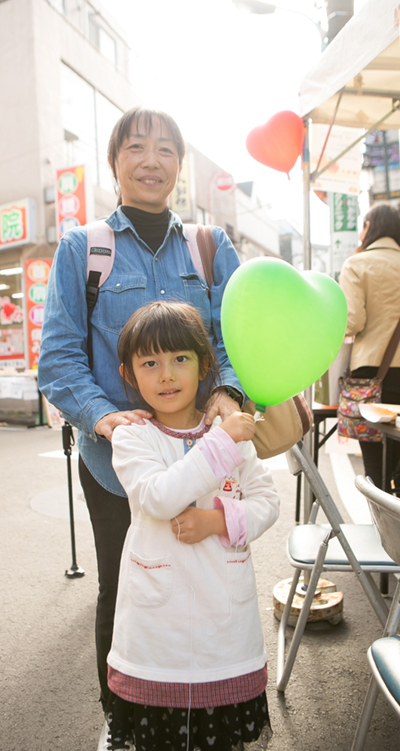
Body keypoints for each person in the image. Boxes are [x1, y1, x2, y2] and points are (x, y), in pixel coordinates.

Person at [38, 106, 245, 749]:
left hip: (206, 456)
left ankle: (203, 712)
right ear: (115, 163)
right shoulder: (83, 248)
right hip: (118, 464)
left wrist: (231, 391)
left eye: (164, 149)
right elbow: (60, 355)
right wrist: (102, 416)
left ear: (179, 166)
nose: (151, 159)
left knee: (211, 585)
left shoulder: (211, 247)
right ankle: (124, 722)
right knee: (128, 590)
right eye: (136, 147)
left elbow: (235, 338)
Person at [107, 300, 280, 751]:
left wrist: (217, 520)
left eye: (180, 359)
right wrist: (220, 443)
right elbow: (159, 497)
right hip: (156, 634)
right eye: (150, 363)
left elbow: (267, 500)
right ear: (129, 373)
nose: (166, 375)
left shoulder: (229, 433)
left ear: (205, 365)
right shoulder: (132, 436)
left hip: (224, 628)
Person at [339, 202, 400, 494]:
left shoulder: (357, 264)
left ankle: (381, 535)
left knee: (375, 468)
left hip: (372, 375)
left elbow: (352, 321)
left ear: (369, 228)